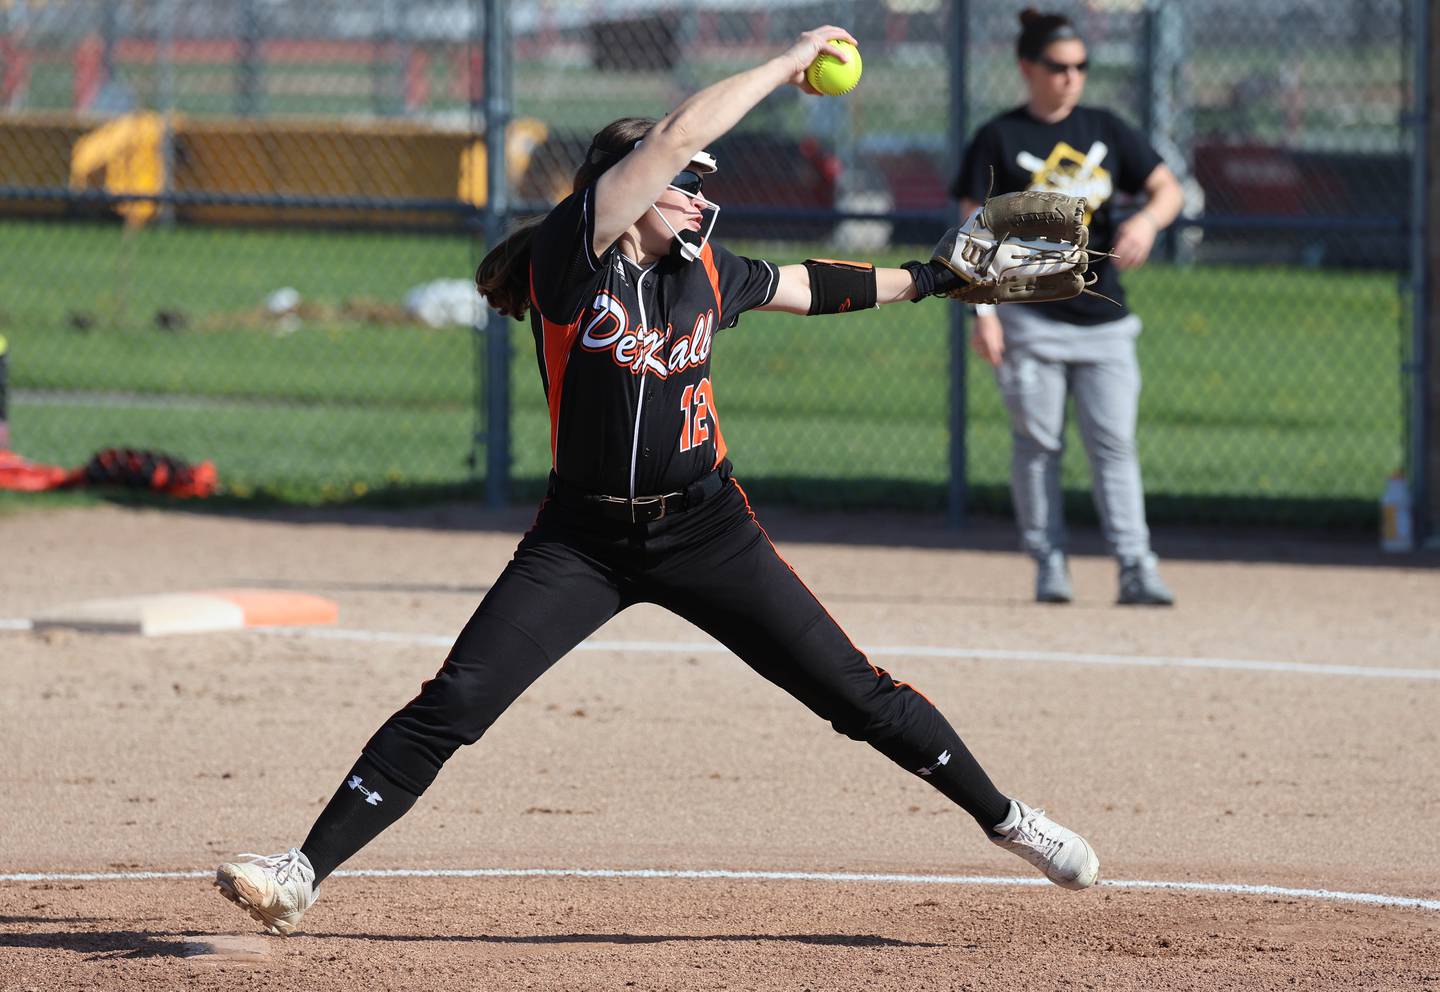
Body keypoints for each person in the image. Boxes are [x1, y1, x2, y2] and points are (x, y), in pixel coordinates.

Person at [214, 26, 1099, 937]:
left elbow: (808, 284)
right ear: (622, 186)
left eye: (700, 186)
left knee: (854, 694)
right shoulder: (573, 260)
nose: (695, 195)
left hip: (707, 530)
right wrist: (786, 65)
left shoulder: (704, 271)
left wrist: (930, 279)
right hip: (581, 542)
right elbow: (673, 139)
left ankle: (1007, 819)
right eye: (681, 182)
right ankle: (302, 869)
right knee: (458, 703)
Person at [953, 8, 1184, 606]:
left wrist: (1148, 222)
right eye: (1058, 67)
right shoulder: (999, 137)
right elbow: (971, 235)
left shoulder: (1105, 126)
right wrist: (984, 317)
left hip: (1105, 320)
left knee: (1114, 446)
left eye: (1081, 66)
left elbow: (1168, 188)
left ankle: (1136, 566)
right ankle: (1049, 563)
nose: (1071, 77)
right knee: (1039, 446)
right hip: (1028, 315)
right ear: (1027, 67)